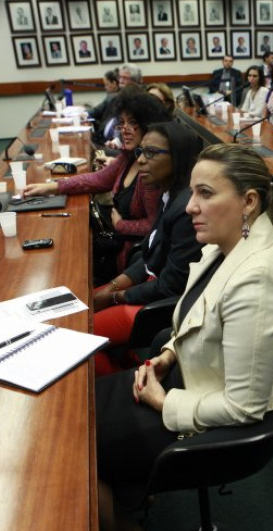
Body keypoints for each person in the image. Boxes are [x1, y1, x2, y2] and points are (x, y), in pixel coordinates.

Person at [95, 143, 273, 531]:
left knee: (76, 443)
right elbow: (196, 314)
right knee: (79, 409)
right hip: (184, 379)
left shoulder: (258, 277)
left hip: (210, 420)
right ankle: (126, 493)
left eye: (206, 194)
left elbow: (246, 407)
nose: (190, 206)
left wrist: (162, 402)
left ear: (248, 201)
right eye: (192, 192)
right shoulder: (227, 246)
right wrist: (169, 354)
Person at [90, 122, 206, 373]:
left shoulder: (187, 209)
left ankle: (119, 389)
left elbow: (170, 286)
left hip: (159, 307)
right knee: (81, 305)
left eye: (151, 153)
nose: (141, 160)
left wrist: (115, 295)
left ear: (178, 158)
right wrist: (115, 284)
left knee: (80, 337)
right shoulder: (168, 195)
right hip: (148, 290)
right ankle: (128, 365)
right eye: (140, 152)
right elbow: (151, 254)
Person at [24, 89, 172, 281]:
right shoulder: (129, 156)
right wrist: (52, 187)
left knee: (68, 259)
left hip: (129, 255)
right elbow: (98, 179)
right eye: (122, 123)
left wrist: (121, 225)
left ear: (148, 126)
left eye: (133, 123)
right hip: (114, 239)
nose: (124, 129)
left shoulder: (149, 171)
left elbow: (155, 226)